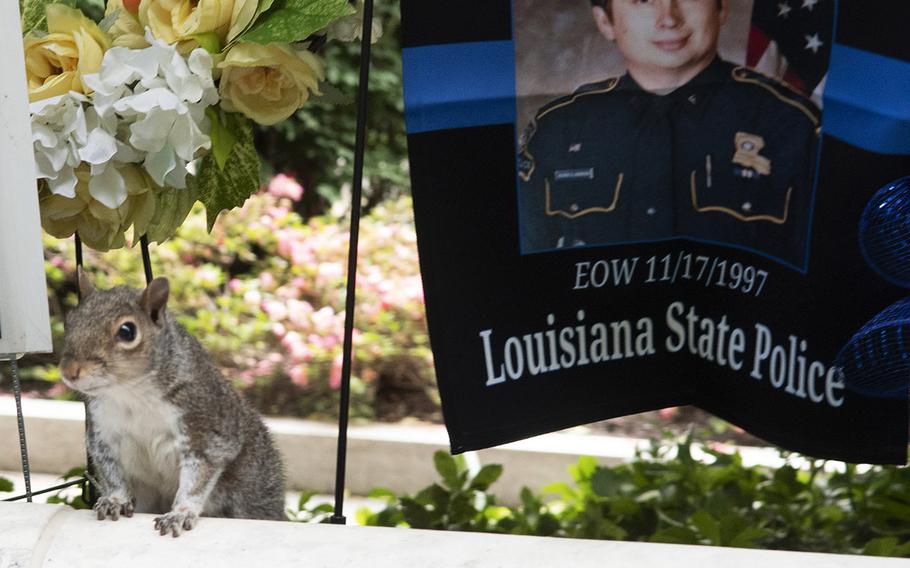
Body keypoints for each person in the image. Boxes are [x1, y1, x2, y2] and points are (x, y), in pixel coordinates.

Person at [518, 0, 821, 268]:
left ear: (721, 7)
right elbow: (525, 273)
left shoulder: (791, 125)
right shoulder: (557, 129)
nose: (668, 18)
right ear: (605, 22)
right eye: (643, 0)